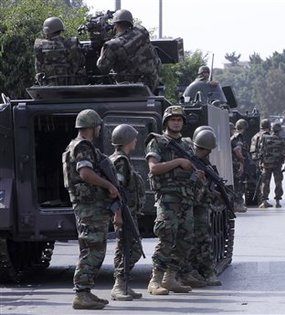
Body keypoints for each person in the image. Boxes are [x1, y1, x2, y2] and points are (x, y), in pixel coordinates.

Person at [62, 109, 122, 310]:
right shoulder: (83, 146)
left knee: (93, 248)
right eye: (98, 126)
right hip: (89, 207)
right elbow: (85, 173)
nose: (99, 130)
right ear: (93, 126)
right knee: (92, 250)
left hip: (90, 206)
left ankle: (86, 292)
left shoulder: (77, 145)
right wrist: (108, 185)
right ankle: (81, 293)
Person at [145, 105, 204, 294]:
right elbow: (153, 168)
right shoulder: (158, 142)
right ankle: (155, 280)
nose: (176, 122)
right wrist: (178, 162)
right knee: (167, 238)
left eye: (179, 120)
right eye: (173, 119)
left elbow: (191, 169)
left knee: (186, 239)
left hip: (186, 198)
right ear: (166, 122)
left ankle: (170, 278)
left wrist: (197, 175)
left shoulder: (187, 144)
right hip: (168, 198)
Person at [109, 124, 145, 301]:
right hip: (124, 211)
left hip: (127, 211)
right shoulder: (120, 161)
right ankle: (119, 285)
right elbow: (117, 189)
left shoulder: (122, 159)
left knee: (125, 247)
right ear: (127, 141)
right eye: (134, 138)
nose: (136, 141)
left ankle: (124, 284)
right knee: (132, 248)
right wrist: (118, 214)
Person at [187, 128, 223, 286]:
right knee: (196, 238)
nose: (204, 152)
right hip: (189, 202)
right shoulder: (188, 158)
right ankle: (196, 270)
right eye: (202, 149)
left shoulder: (203, 161)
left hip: (199, 204)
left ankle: (204, 271)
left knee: (203, 237)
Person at [96, 9, 161, 93]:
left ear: (115, 25)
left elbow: (102, 68)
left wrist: (104, 48)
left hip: (133, 90)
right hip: (153, 83)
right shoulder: (142, 31)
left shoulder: (112, 45)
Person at [34, 16, 84, 86]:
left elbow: (38, 68)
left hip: (48, 86)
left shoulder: (40, 45)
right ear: (61, 29)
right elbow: (79, 63)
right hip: (71, 85)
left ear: (46, 31)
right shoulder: (71, 43)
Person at [258, 123, 285, 208]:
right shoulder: (283, 140)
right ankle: (278, 201)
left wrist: (260, 163)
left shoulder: (264, 139)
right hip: (277, 164)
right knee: (278, 183)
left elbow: (261, 152)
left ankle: (264, 201)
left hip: (266, 164)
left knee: (265, 183)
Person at [230, 119, 249, 212]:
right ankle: (238, 204)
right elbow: (238, 151)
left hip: (234, 163)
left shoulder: (233, 136)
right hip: (237, 164)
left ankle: (236, 204)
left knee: (237, 184)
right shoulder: (238, 137)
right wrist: (242, 163)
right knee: (239, 185)